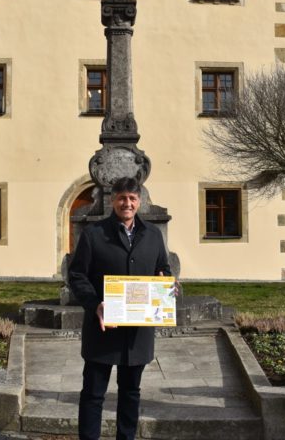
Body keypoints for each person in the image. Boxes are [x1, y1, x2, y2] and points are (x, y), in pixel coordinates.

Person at [68, 177, 171, 440]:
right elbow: (77, 276)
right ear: (113, 200)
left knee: (130, 392)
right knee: (93, 393)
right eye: (122, 198)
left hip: (137, 333)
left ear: (139, 202)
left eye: (132, 198)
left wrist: (165, 284)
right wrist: (95, 305)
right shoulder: (94, 234)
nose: (127, 203)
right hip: (103, 327)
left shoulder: (153, 235)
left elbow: (164, 269)